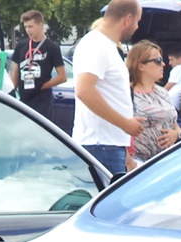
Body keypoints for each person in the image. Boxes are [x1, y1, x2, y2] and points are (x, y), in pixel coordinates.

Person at [73, 0, 145, 175]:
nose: (137, 27)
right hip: (100, 145)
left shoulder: (105, 45)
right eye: (137, 21)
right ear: (127, 19)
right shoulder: (97, 45)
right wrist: (125, 123)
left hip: (106, 144)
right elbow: (84, 91)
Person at [125, 41, 181, 170]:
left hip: (166, 162)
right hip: (138, 165)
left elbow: (176, 126)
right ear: (141, 65)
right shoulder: (127, 94)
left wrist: (175, 134)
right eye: (158, 60)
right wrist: (130, 164)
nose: (163, 64)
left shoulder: (163, 92)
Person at [8, 10, 65, 121]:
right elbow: (15, 71)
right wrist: (11, 92)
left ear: (40, 25)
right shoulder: (21, 45)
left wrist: (43, 86)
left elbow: (62, 77)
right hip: (24, 97)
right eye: (26, 27)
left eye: (31, 26)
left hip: (42, 99)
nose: (28, 30)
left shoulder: (52, 47)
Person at [165, 47, 181, 114]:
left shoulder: (178, 68)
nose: (169, 63)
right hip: (176, 104)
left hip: (170, 102)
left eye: (171, 60)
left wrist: (157, 94)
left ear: (180, 59)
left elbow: (169, 85)